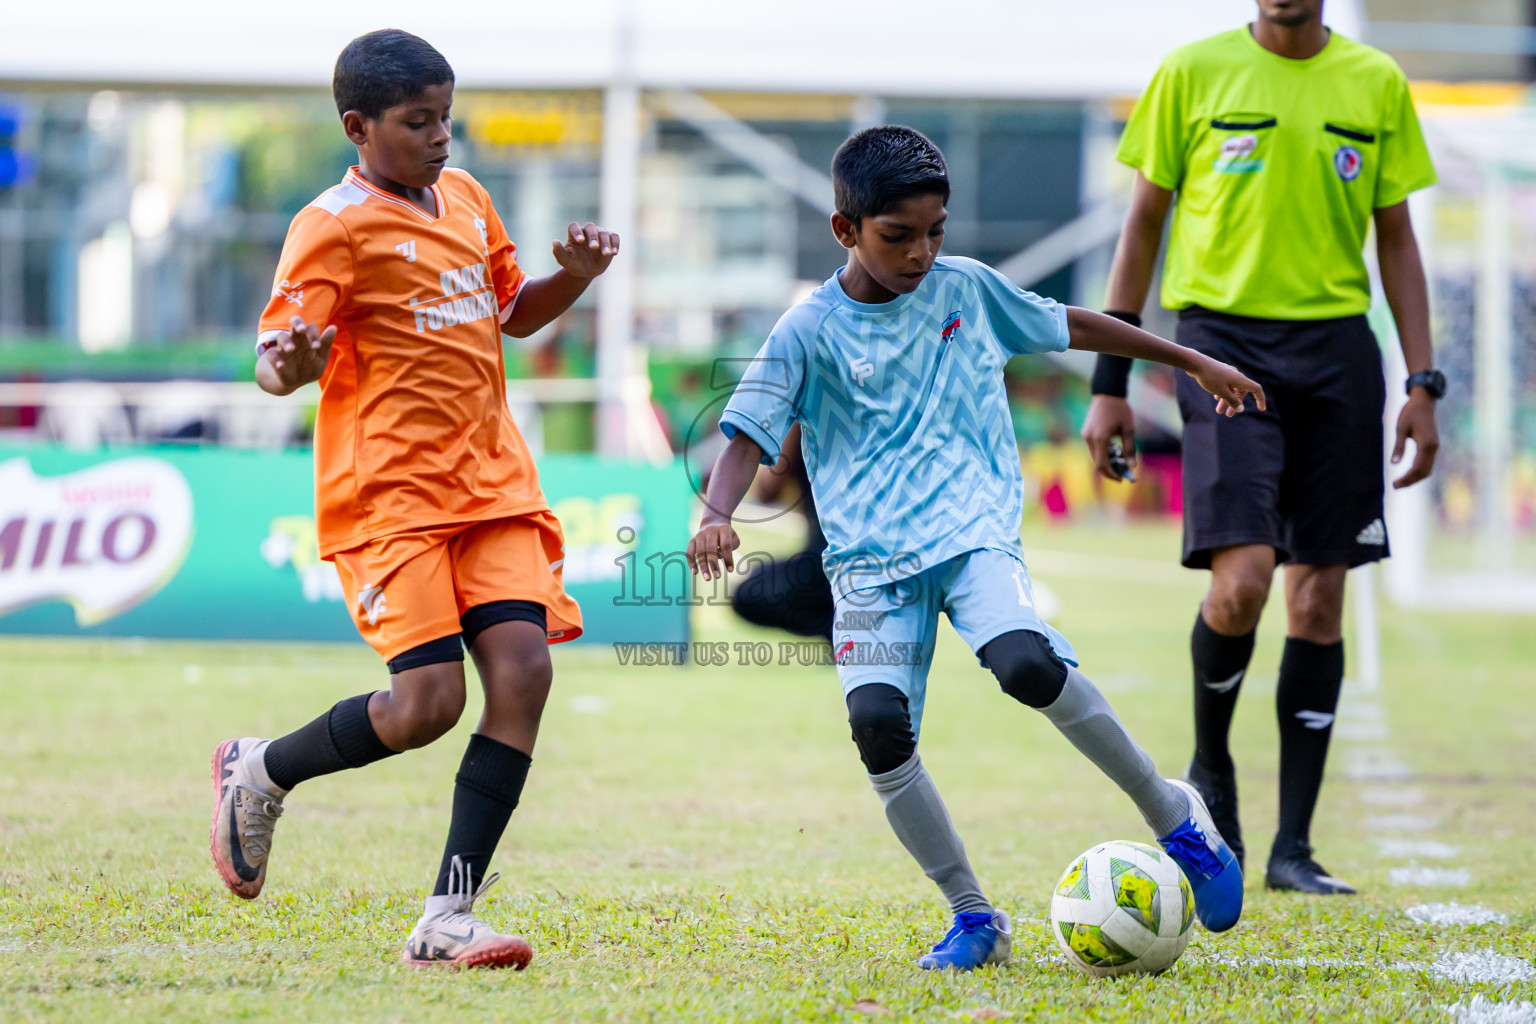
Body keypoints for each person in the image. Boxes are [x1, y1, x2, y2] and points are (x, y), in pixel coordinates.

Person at [688, 126, 1260, 971]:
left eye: (935, 232)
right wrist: (714, 512)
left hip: (972, 537)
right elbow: (746, 435)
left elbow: (1073, 325)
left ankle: (1174, 816)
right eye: (898, 235)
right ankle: (973, 917)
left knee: (1026, 664)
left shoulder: (966, 288)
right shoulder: (807, 329)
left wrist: (1190, 360)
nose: (921, 253)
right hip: (868, 569)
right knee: (878, 728)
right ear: (846, 229)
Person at [208, 29, 620, 968]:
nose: (440, 136)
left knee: (524, 673)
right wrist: (294, 367)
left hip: (492, 485)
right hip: (389, 498)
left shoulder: (466, 195)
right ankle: (261, 771)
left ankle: (447, 916)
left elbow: (513, 312)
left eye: (446, 117)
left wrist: (575, 278)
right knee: (427, 704)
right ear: (358, 127)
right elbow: (275, 360)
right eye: (418, 121)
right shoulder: (331, 225)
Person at [1080, 0, 1441, 895]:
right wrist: (1109, 385)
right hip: (1219, 346)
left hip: (1339, 354)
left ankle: (1294, 848)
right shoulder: (1190, 72)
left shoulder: (1375, 81)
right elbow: (1142, 224)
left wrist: (1423, 383)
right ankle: (1211, 772)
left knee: (1318, 597)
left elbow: (1397, 237)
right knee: (1241, 582)